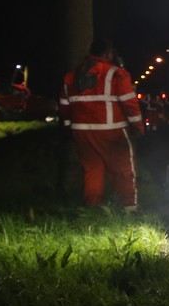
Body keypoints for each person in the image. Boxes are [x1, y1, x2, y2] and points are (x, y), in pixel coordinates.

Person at [60, 37, 143, 211]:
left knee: (92, 170)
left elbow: (64, 105)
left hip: (82, 132)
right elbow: (130, 103)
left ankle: (93, 208)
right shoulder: (116, 74)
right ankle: (129, 208)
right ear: (108, 54)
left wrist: (68, 127)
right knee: (123, 169)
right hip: (112, 131)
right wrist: (137, 126)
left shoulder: (71, 76)